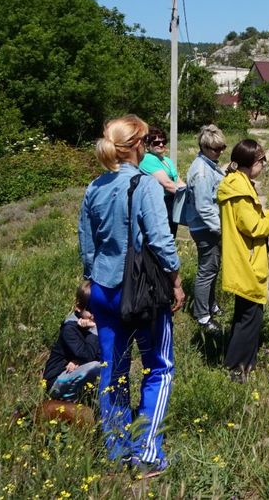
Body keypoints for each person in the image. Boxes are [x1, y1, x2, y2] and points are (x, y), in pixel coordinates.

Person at [78, 115, 184, 477]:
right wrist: (176, 279)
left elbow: (87, 247)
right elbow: (160, 238)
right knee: (159, 366)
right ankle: (149, 453)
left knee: (114, 370)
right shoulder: (146, 185)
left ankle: (117, 449)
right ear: (139, 144)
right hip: (142, 293)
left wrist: (92, 281)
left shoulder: (94, 187)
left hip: (104, 291)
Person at [217, 139, 269, 380]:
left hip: (244, 260)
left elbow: (254, 218)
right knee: (249, 319)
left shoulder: (238, 184)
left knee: (246, 316)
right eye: (262, 161)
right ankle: (236, 370)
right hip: (246, 263)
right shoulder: (239, 191)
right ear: (251, 163)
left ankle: (240, 365)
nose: (263, 166)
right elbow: (254, 227)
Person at [183, 124, 226, 330]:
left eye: (222, 148)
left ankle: (211, 304)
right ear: (204, 147)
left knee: (213, 267)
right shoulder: (201, 171)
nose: (219, 153)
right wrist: (221, 230)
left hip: (208, 227)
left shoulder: (208, 164)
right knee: (207, 270)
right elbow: (204, 207)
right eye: (216, 149)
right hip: (206, 228)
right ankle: (202, 316)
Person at [42, 281, 103, 402]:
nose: (95, 315)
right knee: (95, 367)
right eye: (91, 310)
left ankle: (83, 401)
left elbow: (101, 355)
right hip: (57, 379)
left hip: (72, 373)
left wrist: (79, 360)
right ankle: (68, 401)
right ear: (78, 307)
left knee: (104, 365)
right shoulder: (70, 328)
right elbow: (88, 355)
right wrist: (94, 328)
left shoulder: (91, 324)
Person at [140, 127, 184, 235]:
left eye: (163, 141)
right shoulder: (147, 159)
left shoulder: (167, 161)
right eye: (156, 142)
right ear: (147, 145)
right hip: (159, 203)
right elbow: (167, 184)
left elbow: (178, 181)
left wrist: (190, 190)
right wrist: (190, 195)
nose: (160, 145)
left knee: (171, 234)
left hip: (172, 202)